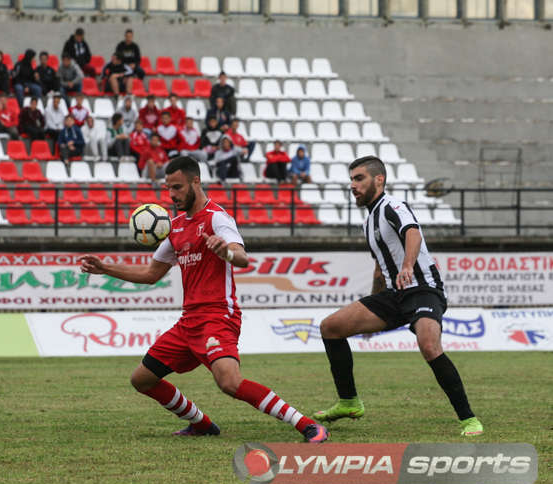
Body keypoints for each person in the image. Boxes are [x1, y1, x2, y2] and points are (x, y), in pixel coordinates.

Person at [79, 156, 327, 443]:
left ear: (196, 182)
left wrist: (227, 252)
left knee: (229, 382)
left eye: (178, 187)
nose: (172, 195)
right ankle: (200, 423)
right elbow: (151, 274)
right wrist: (105, 268)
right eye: (169, 188)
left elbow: (243, 258)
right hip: (188, 323)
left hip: (218, 316)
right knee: (142, 379)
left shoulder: (217, 218)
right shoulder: (174, 227)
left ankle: (308, 425)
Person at [313, 156, 483, 437]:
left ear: (378, 180)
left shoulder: (393, 205)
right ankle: (349, 402)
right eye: (351, 180)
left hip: (422, 289)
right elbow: (380, 269)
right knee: (330, 327)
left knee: (428, 345)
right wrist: (369, 310)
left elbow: (412, 233)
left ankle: (468, 419)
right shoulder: (368, 223)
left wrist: (407, 266)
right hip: (393, 295)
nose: (353, 185)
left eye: (359, 179)